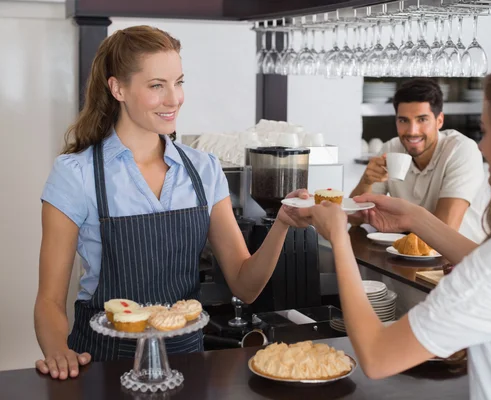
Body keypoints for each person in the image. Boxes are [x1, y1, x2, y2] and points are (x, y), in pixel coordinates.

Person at [294, 56, 491, 399]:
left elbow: (378, 357)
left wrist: (337, 236)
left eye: (487, 132)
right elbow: (486, 260)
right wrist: (413, 217)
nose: (482, 147)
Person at [34, 25, 307, 380]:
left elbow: (245, 284)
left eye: (178, 82)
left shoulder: (203, 169)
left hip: (187, 366)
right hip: (103, 366)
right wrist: (59, 353)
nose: (174, 98)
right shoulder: (76, 173)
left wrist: (282, 222)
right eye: (156, 86)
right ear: (118, 88)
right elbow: (50, 302)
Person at [350, 78, 488, 242]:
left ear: (439, 121)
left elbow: (446, 230)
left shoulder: (461, 150)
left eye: (422, 119)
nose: (412, 131)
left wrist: (400, 222)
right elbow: (353, 218)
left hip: (459, 259)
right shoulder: (391, 149)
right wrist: (366, 181)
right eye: (403, 120)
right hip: (408, 253)